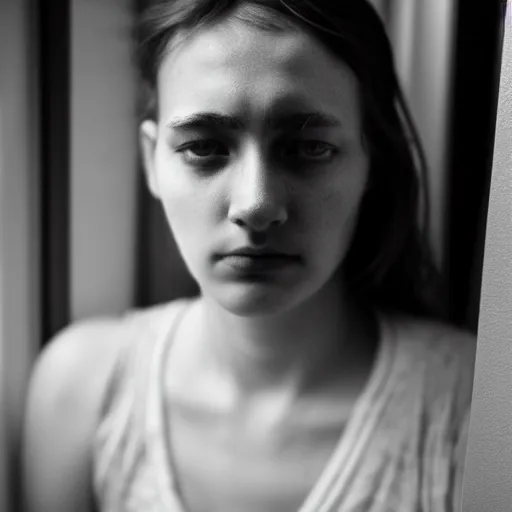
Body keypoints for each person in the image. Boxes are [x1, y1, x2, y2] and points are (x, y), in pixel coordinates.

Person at [22, 0, 476, 511]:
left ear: (370, 161)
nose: (256, 204)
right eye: (203, 147)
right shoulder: (81, 391)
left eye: (307, 148)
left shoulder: (471, 405)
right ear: (152, 161)